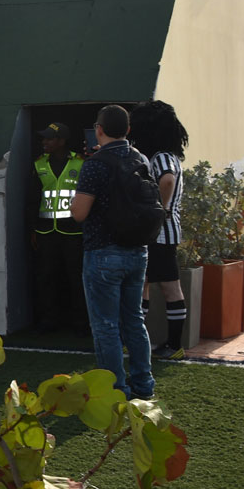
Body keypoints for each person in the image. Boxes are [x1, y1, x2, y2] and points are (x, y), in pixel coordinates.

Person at [69, 105, 155, 400]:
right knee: (133, 319)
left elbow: (79, 213)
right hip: (138, 251)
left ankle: (116, 389)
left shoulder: (95, 164)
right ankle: (144, 386)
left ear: (99, 130)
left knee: (105, 325)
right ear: (128, 131)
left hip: (103, 252)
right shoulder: (141, 159)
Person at [129, 100, 190, 359]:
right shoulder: (166, 155)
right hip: (160, 233)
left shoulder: (162, 157)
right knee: (145, 284)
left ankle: (173, 346)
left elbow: (167, 180)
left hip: (160, 234)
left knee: (166, 287)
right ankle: (141, 341)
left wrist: (159, 210)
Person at [28, 122, 88, 334]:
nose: (44, 142)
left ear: (62, 141)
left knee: (76, 277)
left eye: (49, 138)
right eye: (43, 139)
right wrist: (33, 229)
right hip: (46, 232)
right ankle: (48, 320)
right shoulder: (39, 164)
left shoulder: (81, 163)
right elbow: (33, 199)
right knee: (46, 277)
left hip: (73, 231)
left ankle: (80, 322)